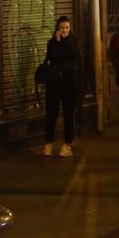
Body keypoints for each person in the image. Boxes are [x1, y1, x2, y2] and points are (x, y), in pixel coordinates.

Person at [43, 16, 81, 157]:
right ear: (57, 28)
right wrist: (57, 42)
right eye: (61, 28)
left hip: (69, 83)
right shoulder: (52, 43)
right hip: (53, 83)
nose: (64, 30)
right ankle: (48, 143)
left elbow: (76, 55)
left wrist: (66, 40)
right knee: (51, 113)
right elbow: (49, 58)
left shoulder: (73, 41)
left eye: (67, 28)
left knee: (68, 114)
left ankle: (67, 144)